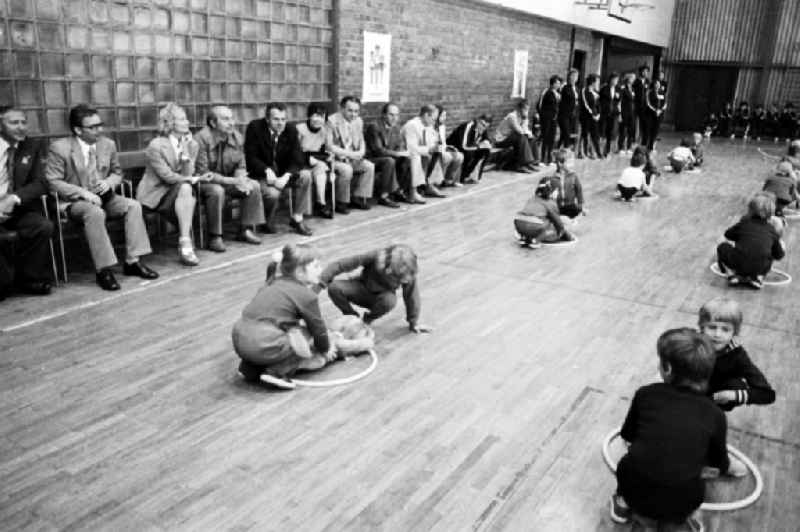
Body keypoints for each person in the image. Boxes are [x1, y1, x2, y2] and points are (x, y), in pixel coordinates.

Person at [609, 328, 730, 530]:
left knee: (628, 466)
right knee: (687, 490)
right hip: (682, 500)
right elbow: (719, 464)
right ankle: (677, 524)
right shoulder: (715, 414)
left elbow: (627, 435)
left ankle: (624, 505)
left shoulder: (645, 394)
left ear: (667, 368)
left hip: (633, 488)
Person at [49, 104, 158, 288]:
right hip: (75, 201)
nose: (99, 130)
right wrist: (82, 192)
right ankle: (104, 269)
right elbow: (53, 181)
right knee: (95, 213)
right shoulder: (60, 148)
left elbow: (117, 173)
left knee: (133, 206)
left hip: (105, 197)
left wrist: (108, 183)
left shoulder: (108, 145)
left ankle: (133, 261)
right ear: (77, 130)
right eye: (93, 127)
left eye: (100, 125)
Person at [232, 244, 335, 390]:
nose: (321, 270)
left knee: (284, 329)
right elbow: (318, 329)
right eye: (316, 266)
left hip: (239, 337)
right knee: (304, 336)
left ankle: (249, 367)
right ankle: (276, 372)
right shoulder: (306, 296)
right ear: (300, 272)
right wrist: (326, 348)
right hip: (263, 342)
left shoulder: (273, 281)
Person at [136, 102, 203, 265]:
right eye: (182, 119)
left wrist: (186, 150)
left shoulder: (192, 144)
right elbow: (167, 176)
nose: (187, 122)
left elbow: (188, 173)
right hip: (155, 194)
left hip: (177, 192)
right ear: (169, 123)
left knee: (186, 188)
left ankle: (184, 241)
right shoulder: (156, 145)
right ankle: (186, 244)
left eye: (186, 119)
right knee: (186, 188)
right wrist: (189, 179)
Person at [0, 106, 54, 298]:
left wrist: (13, 199)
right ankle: (4, 283)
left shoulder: (31, 146)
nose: (21, 127)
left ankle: (29, 280)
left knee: (42, 226)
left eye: (24, 122)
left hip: (14, 207)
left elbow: (41, 183)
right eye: (14, 123)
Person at [194, 105, 263, 250]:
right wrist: (231, 181)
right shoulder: (200, 139)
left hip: (228, 180)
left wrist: (240, 178)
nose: (232, 123)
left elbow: (241, 164)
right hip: (203, 183)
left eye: (232, 118)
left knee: (254, 185)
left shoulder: (237, 137)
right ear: (213, 123)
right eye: (226, 119)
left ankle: (245, 229)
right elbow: (203, 172)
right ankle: (215, 236)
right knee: (217, 191)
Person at [320, 244, 432, 333]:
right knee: (334, 288)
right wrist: (320, 282)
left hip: (381, 299)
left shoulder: (409, 271)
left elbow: (412, 296)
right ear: (389, 270)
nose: (403, 282)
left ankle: (366, 321)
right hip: (361, 288)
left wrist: (414, 322)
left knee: (390, 301)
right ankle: (351, 316)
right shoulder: (375, 256)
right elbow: (341, 265)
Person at [244, 102, 313, 236]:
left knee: (306, 176)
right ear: (267, 119)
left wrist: (286, 176)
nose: (280, 123)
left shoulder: (291, 130)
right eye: (276, 119)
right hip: (262, 174)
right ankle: (265, 221)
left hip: (282, 174)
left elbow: (297, 159)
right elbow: (250, 157)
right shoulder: (255, 128)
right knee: (272, 194)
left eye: (283, 119)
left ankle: (297, 218)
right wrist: (266, 170)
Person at [698, 298, 776, 413]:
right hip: (689, 393)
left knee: (736, 385)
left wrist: (733, 395)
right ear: (702, 327)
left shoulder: (738, 356)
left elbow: (767, 394)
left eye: (725, 329)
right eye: (712, 327)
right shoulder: (690, 342)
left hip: (715, 400)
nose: (717, 334)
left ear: (734, 333)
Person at [717, 191, 786, 289]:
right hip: (760, 267)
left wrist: (743, 237)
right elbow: (779, 255)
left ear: (750, 210)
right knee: (771, 253)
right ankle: (758, 278)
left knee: (722, 246)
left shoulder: (744, 223)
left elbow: (728, 234)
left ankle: (731, 275)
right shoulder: (772, 230)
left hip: (738, 263)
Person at [295, 102, 351, 218]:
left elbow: (324, 150)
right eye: (315, 115)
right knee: (320, 167)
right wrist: (310, 159)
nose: (318, 119)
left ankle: (326, 203)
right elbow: (294, 151)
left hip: (317, 161)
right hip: (301, 161)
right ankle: (322, 204)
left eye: (321, 116)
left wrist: (328, 157)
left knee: (328, 168)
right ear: (309, 116)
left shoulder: (324, 131)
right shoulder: (299, 129)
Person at [327, 95, 376, 210]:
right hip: (336, 158)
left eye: (356, 111)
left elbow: (361, 139)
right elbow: (329, 146)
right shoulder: (331, 121)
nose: (353, 114)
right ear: (342, 108)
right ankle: (341, 201)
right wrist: (351, 154)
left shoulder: (358, 121)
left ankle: (358, 197)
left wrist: (361, 151)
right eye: (350, 111)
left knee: (369, 166)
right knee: (346, 169)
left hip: (352, 157)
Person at [365, 102, 418, 204]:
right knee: (389, 161)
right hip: (374, 159)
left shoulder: (396, 128)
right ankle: (383, 195)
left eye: (396, 115)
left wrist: (403, 152)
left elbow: (400, 145)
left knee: (407, 159)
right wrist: (397, 154)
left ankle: (399, 191)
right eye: (391, 115)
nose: (394, 118)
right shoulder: (375, 127)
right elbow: (378, 150)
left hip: (390, 157)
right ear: (384, 115)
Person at [514, 179, 575, 246]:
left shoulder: (532, 198)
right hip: (534, 225)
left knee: (539, 220)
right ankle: (535, 241)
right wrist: (566, 235)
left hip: (518, 223)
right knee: (550, 224)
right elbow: (557, 222)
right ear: (552, 192)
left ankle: (524, 238)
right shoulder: (550, 203)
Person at [402, 105, 445, 198]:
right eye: (433, 119)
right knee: (417, 157)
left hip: (419, 152)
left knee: (437, 153)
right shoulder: (412, 125)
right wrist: (429, 149)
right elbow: (411, 148)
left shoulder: (428, 126)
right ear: (426, 115)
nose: (434, 122)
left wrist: (435, 147)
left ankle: (429, 184)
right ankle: (413, 191)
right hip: (405, 153)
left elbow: (430, 143)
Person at [494, 99, 539, 173]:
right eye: (525, 109)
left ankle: (531, 162)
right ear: (519, 109)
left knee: (531, 138)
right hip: (501, 140)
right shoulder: (512, 116)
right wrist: (525, 126)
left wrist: (525, 120)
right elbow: (520, 131)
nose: (527, 111)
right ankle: (522, 165)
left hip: (512, 138)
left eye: (528, 109)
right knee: (521, 137)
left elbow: (525, 129)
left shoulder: (523, 117)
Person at [448, 114, 493, 183]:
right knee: (469, 153)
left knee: (486, 151)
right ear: (478, 120)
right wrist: (479, 146)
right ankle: (461, 178)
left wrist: (487, 143)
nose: (483, 128)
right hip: (454, 147)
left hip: (468, 148)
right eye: (482, 125)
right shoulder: (468, 126)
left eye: (486, 127)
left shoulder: (482, 128)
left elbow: (486, 140)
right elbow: (464, 146)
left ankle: (474, 176)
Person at [428, 105, 464, 188]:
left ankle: (449, 179)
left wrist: (449, 147)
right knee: (447, 157)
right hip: (434, 150)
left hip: (442, 148)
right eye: (442, 116)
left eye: (445, 116)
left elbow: (443, 142)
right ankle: (438, 181)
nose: (444, 118)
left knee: (459, 156)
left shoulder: (442, 127)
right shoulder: (430, 127)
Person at [547, 148, 584, 218]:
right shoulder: (553, 178)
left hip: (571, 205)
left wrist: (580, 203)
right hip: (558, 207)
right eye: (569, 163)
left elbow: (579, 190)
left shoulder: (574, 176)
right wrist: (551, 196)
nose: (572, 165)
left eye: (573, 163)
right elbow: (549, 194)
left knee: (574, 219)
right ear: (560, 163)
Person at [538, 75, 562, 165]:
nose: (558, 84)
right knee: (545, 137)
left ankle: (549, 158)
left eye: (559, 83)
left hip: (554, 119)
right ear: (552, 83)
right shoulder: (547, 92)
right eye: (557, 83)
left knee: (551, 138)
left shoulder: (558, 94)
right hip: (546, 118)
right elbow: (540, 106)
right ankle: (542, 159)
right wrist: (543, 116)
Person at [579, 74, 602, 159]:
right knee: (585, 134)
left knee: (595, 135)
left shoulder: (596, 91)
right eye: (596, 81)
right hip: (586, 116)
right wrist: (592, 114)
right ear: (592, 82)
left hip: (595, 117)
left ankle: (597, 152)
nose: (597, 83)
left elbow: (598, 104)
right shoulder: (584, 91)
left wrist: (598, 114)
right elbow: (585, 104)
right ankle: (583, 152)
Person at [599, 72, 621, 158]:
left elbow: (619, 101)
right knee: (603, 131)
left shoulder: (618, 89)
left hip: (614, 113)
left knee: (610, 131)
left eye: (617, 80)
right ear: (610, 79)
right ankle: (600, 149)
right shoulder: (604, 88)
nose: (615, 81)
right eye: (614, 79)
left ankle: (607, 150)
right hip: (605, 112)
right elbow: (600, 100)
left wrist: (619, 113)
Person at [558, 68, 580, 150]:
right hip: (564, 114)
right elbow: (567, 97)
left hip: (572, 115)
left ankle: (558, 150)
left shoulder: (576, 89)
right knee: (566, 133)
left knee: (564, 135)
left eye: (576, 76)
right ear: (569, 77)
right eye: (572, 76)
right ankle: (566, 150)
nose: (574, 78)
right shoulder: (565, 87)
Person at [643, 78, 666, 152]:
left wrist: (661, 110)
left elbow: (665, 103)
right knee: (649, 129)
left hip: (659, 114)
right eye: (656, 84)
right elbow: (648, 103)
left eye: (658, 84)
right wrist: (655, 110)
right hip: (650, 114)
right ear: (653, 85)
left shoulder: (662, 92)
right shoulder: (649, 92)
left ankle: (652, 146)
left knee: (656, 130)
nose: (657, 85)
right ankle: (646, 145)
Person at [618, 73, 636, 154]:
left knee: (630, 130)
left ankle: (628, 147)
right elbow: (620, 101)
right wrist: (620, 113)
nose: (633, 80)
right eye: (632, 78)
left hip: (631, 113)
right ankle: (620, 147)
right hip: (624, 112)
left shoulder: (632, 89)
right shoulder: (623, 88)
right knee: (623, 130)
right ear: (628, 79)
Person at [632, 65, 651, 145]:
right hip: (636, 105)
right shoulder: (636, 82)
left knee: (645, 124)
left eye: (647, 71)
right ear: (640, 72)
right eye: (644, 71)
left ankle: (644, 141)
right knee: (634, 124)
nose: (645, 73)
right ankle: (633, 140)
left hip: (645, 106)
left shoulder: (648, 82)